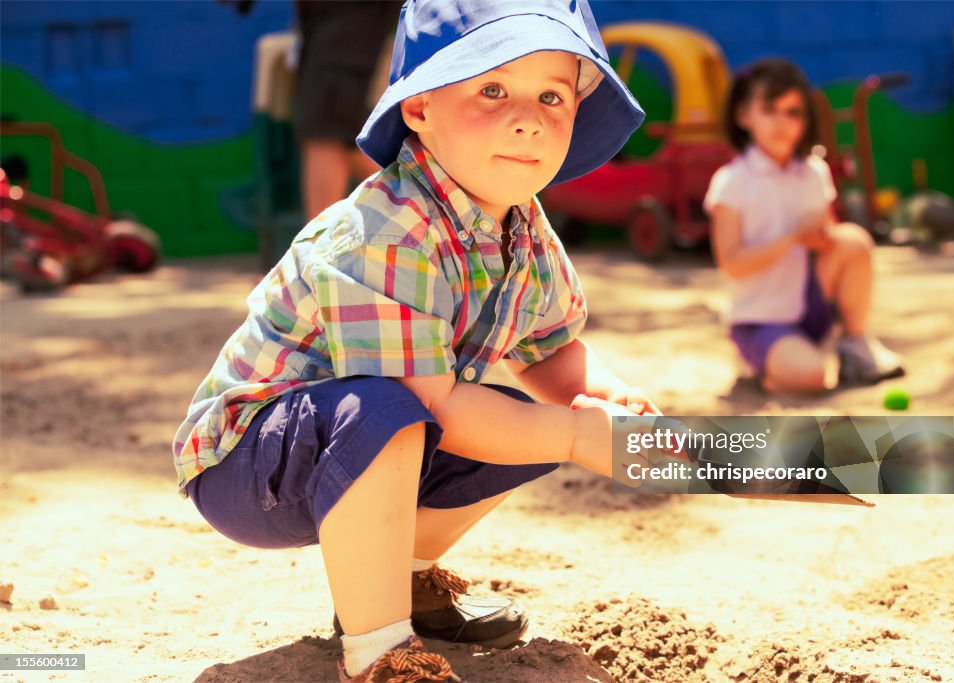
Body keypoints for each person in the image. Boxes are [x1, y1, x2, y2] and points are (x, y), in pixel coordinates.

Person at [172, 2, 656, 681]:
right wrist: (576, 436)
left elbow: (549, 349)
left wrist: (602, 399)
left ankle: (401, 578)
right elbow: (428, 402)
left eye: (552, 94)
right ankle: (378, 652)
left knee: (518, 417)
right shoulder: (387, 230)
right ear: (421, 107)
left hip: (375, 431)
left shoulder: (524, 226)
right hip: (252, 461)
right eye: (492, 88)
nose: (529, 117)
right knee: (415, 410)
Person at [704, 57, 905, 394]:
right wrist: (792, 238)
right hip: (761, 318)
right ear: (744, 116)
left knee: (852, 239)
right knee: (812, 377)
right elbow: (731, 263)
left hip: (810, 307)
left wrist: (819, 236)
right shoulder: (731, 182)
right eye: (770, 109)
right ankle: (761, 363)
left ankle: (855, 345)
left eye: (793, 112)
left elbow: (831, 241)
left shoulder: (814, 172)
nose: (782, 122)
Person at [293, 1, 402, 220]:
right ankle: (432, 208)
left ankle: (318, 250)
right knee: (341, 135)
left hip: (348, 14)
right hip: (327, 20)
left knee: (325, 133)